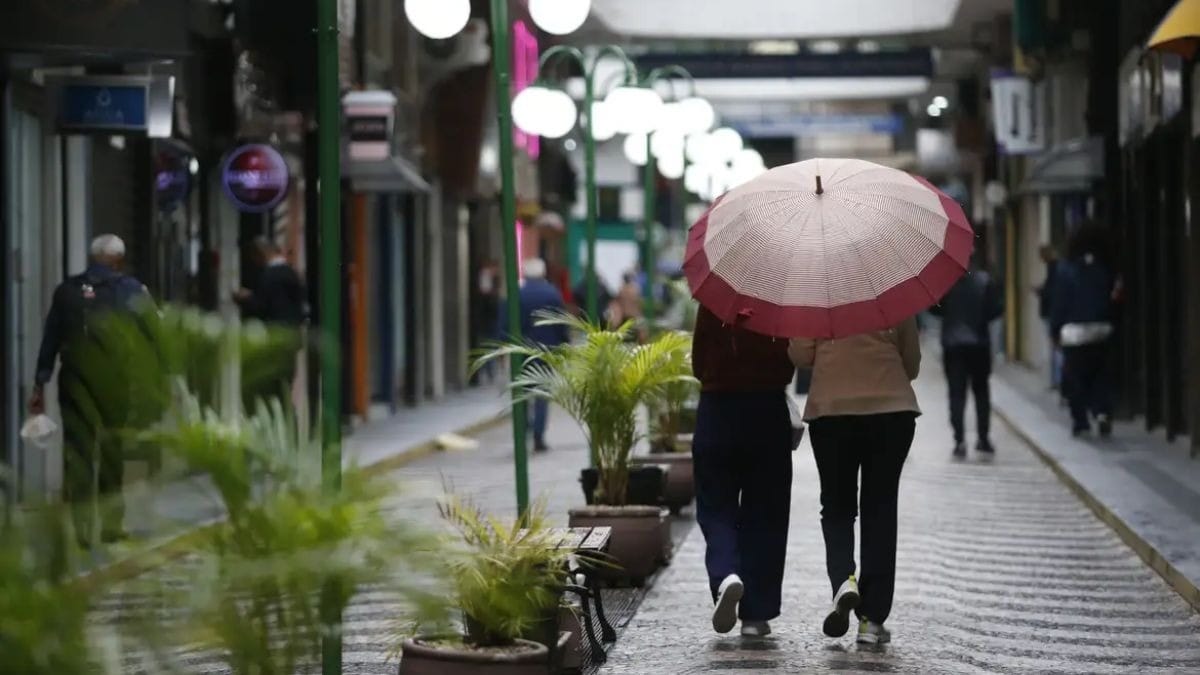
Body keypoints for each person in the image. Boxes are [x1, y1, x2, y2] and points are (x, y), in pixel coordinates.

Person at [789, 316, 921, 646]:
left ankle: (843, 581)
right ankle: (872, 621)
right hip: (892, 412)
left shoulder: (817, 295)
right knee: (880, 508)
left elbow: (800, 356)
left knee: (836, 506)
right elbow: (912, 364)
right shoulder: (891, 287)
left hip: (832, 412)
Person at [31, 234, 152, 547]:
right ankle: (111, 526)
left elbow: (50, 339)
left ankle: (82, 530)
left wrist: (39, 382)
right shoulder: (132, 291)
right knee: (112, 451)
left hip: (73, 380)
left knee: (79, 452)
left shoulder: (67, 291)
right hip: (114, 381)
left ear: (92, 257)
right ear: (119, 260)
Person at [691, 306, 795, 638]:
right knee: (767, 510)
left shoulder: (714, 299)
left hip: (717, 408)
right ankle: (756, 614)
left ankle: (725, 575)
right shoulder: (779, 298)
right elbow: (788, 363)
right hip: (767, 410)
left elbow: (697, 362)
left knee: (715, 502)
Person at [930, 261, 1003, 457]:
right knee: (981, 392)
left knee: (956, 393)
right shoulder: (985, 281)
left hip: (953, 345)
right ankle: (983, 438)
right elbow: (996, 310)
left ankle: (959, 440)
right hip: (979, 344)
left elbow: (934, 309)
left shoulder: (945, 282)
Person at [1051, 226, 1116, 438]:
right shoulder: (1102, 268)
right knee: (1100, 375)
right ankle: (1102, 410)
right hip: (1101, 329)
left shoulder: (1065, 269)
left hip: (1074, 333)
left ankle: (1081, 421)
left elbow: (1059, 303)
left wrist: (1055, 330)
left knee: (1075, 378)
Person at [501, 258, 569, 451]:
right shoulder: (552, 294)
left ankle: (523, 433)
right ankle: (538, 435)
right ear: (543, 273)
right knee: (541, 394)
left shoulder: (517, 294)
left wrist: (502, 346)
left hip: (520, 351)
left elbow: (505, 322)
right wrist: (564, 345)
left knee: (521, 394)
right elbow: (561, 322)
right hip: (546, 351)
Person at [233, 237, 305, 407]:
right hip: (292, 336)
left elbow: (262, 307)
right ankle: (288, 417)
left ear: (261, 254)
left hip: (274, 337)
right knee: (286, 382)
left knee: (273, 386)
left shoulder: (268, 276)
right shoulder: (291, 273)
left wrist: (246, 298)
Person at [1036, 244, 1064, 393]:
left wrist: (1041, 292)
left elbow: (1051, 291)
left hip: (1051, 313)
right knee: (1055, 348)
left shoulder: (1054, 269)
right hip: (1052, 313)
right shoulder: (1055, 269)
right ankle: (1057, 380)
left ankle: (1058, 380)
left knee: (1056, 348)